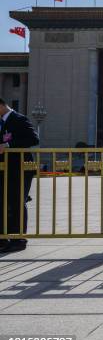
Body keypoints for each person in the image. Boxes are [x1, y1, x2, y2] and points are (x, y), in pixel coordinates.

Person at [0, 98, 39, 253]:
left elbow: (33, 139)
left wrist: (8, 145)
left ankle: (18, 239)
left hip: (19, 169)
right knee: (2, 203)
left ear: (2, 106)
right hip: (3, 169)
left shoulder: (19, 119)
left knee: (17, 201)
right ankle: (3, 238)